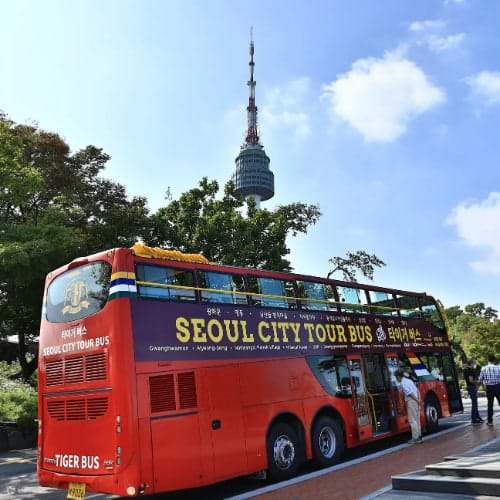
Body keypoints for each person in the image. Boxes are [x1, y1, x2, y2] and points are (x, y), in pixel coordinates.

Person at [395, 368, 422, 444]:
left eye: (396, 377)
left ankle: (415, 438)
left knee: (412, 420)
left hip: (411, 401)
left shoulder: (403, 384)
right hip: (417, 401)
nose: (396, 379)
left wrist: (417, 400)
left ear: (398, 376)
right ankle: (419, 436)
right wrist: (419, 400)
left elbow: (410, 394)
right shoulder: (409, 381)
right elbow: (417, 390)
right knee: (417, 420)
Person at [478, 353, 500, 426]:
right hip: (498, 386)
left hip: (489, 388)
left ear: (488, 360)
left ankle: (490, 421)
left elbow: (480, 380)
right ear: (494, 360)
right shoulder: (498, 367)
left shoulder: (484, 368)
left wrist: (483, 388)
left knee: (490, 405)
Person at [463, 359, 484, 424]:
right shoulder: (470, 370)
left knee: (475, 403)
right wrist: (478, 382)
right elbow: (471, 380)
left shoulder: (465, 370)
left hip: (469, 387)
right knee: (474, 404)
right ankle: (474, 418)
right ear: (471, 363)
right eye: (474, 363)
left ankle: (477, 417)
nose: (475, 364)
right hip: (472, 387)